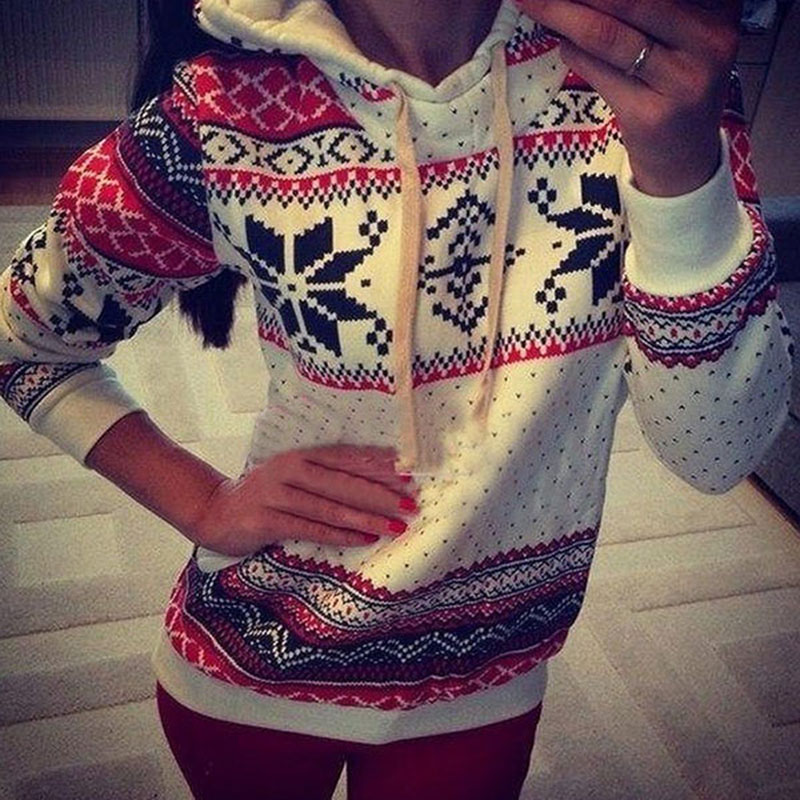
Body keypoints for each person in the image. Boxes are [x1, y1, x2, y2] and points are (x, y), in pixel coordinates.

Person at [1, 0, 794, 798]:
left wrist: (683, 177)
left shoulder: (655, 86)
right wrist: (203, 503)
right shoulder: (216, 115)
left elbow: (715, 452)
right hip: (250, 673)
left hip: (488, 679)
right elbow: (22, 338)